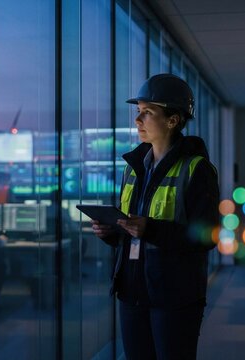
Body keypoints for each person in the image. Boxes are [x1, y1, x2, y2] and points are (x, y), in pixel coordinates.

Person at [91, 74, 220, 360]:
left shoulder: (196, 169)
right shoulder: (134, 167)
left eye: (147, 113)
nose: (138, 120)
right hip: (132, 290)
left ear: (173, 120)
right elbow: (133, 232)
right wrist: (112, 232)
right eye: (138, 112)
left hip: (174, 295)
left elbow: (207, 236)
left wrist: (150, 230)